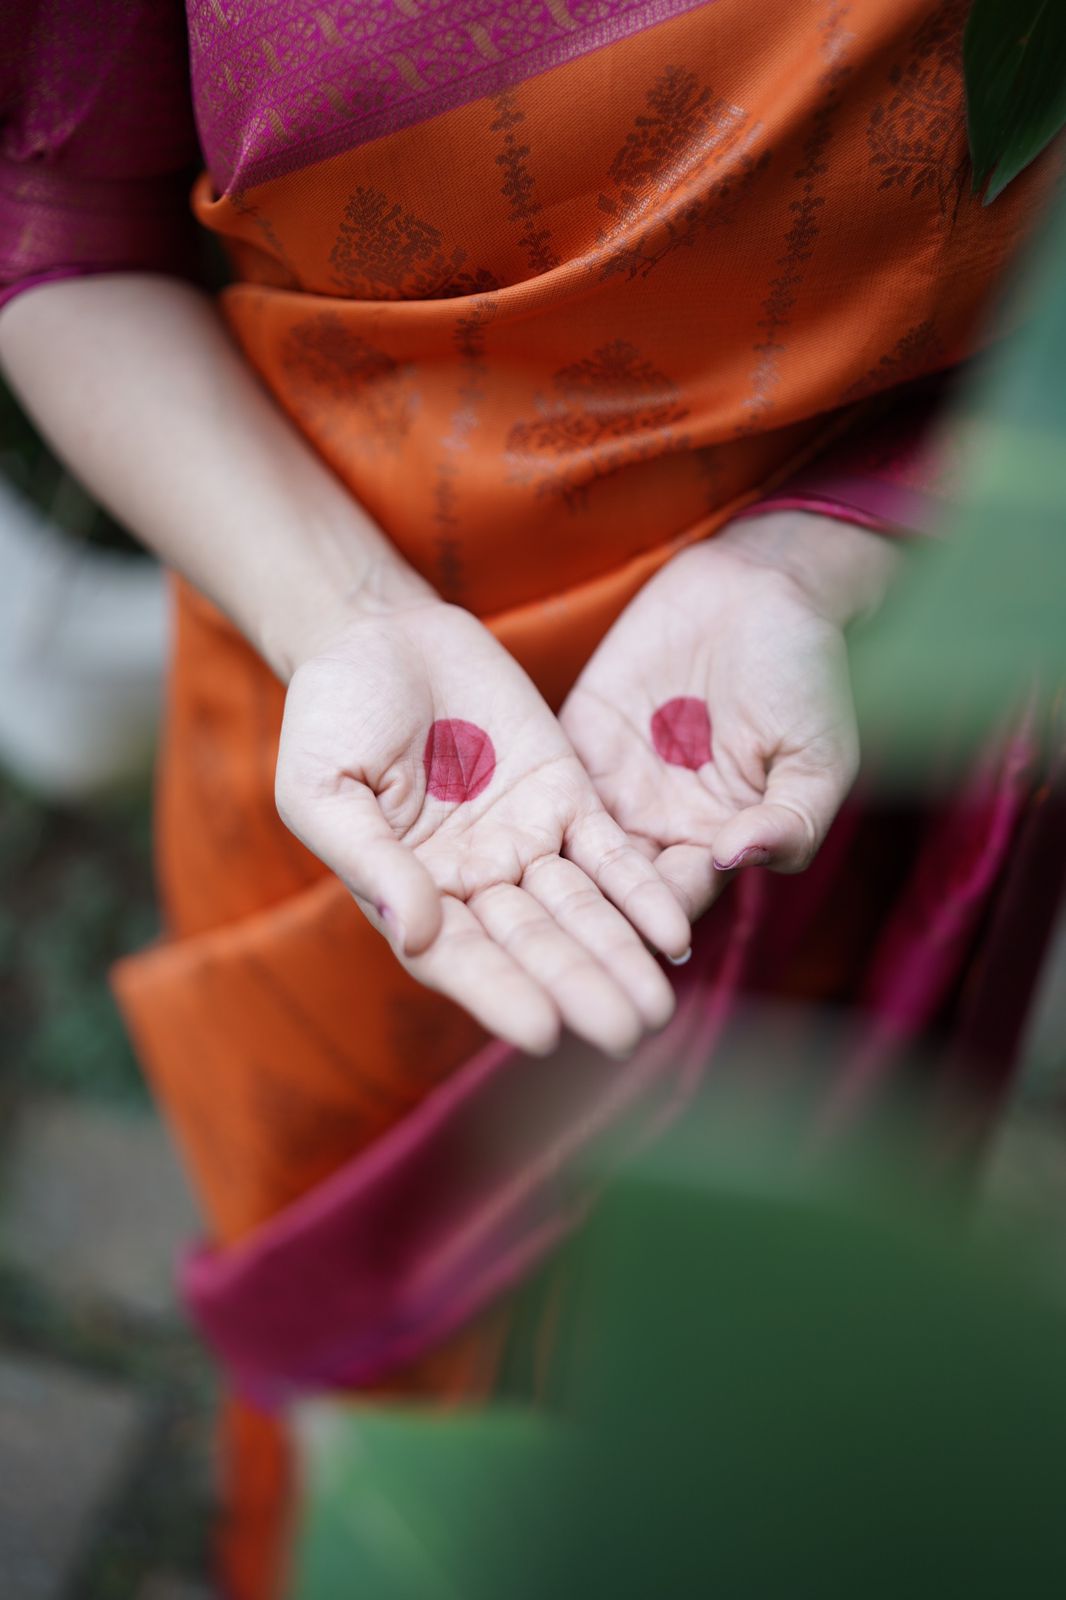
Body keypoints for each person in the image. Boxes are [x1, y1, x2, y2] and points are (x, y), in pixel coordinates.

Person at [1, 3, 1060, 1595]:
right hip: (335, 661)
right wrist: (342, 618)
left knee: (747, 1367)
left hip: (843, 718)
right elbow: (62, 241)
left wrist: (825, 555)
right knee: (370, 1371)